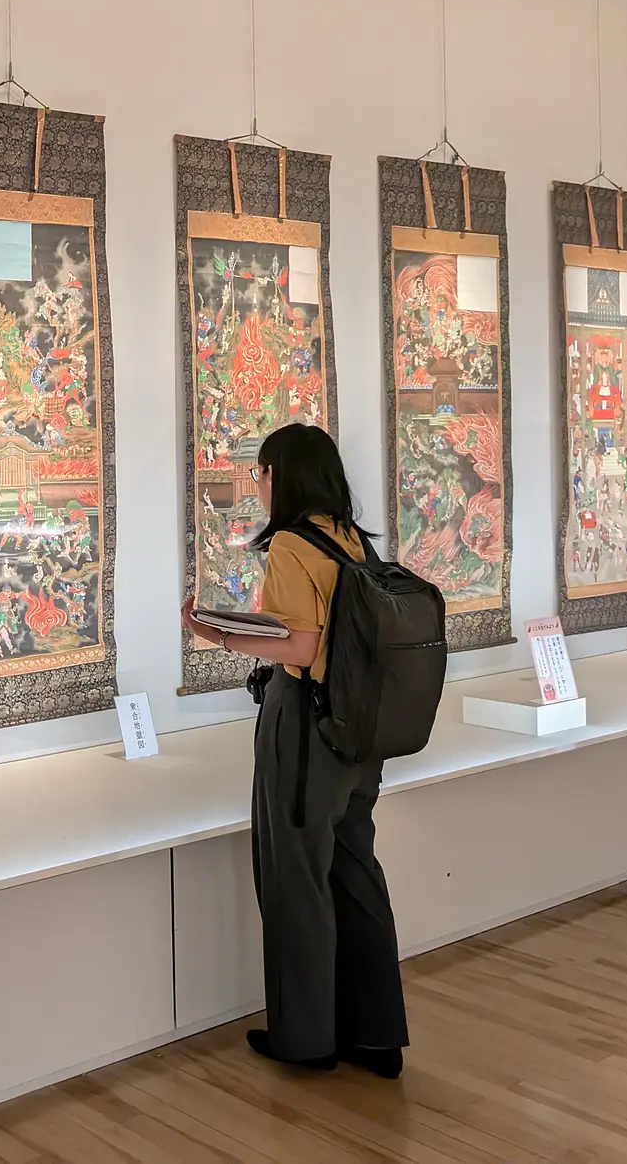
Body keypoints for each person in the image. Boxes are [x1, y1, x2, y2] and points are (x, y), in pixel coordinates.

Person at [180, 422, 408, 1079]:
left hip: (306, 725)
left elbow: (300, 647)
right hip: (361, 729)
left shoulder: (289, 543)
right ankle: (376, 1035)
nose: (257, 484)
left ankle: (306, 1039)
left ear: (281, 477)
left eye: (261, 472)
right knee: (356, 872)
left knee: (295, 879)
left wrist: (217, 635)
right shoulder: (351, 539)